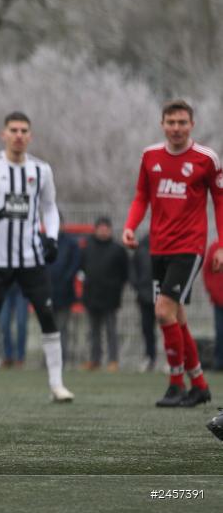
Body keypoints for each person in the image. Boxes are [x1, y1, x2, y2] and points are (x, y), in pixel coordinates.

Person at [0, 111, 74, 402]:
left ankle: (57, 384)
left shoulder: (41, 170)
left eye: (24, 130)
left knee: (46, 314)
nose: (19, 135)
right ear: (4, 134)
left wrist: (51, 237)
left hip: (31, 257)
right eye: (14, 130)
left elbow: (49, 208)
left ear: (30, 135)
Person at [122, 99, 223, 407]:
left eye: (182, 122)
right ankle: (200, 386)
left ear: (192, 124)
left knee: (163, 311)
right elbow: (142, 195)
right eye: (171, 122)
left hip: (189, 247)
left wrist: (221, 243)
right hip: (159, 247)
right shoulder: (150, 156)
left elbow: (220, 201)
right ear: (162, 124)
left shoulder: (206, 159)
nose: (176, 128)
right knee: (176, 316)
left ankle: (176, 383)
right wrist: (130, 225)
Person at [80, 217, 129, 372]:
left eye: (106, 228)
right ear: (96, 229)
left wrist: (116, 288)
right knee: (93, 331)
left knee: (111, 330)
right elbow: (82, 269)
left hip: (110, 297)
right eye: (100, 228)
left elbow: (125, 273)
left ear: (110, 229)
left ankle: (113, 360)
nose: (103, 231)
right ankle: (95, 360)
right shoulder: (87, 247)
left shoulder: (118, 250)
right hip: (91, 295)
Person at [48, 220, 81, 367]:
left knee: (62, 328)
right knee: (48, 329)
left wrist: (65, 280)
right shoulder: (45, 241)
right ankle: (48, 360)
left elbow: (74, 265)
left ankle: (62, 359)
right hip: (48, 293)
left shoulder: (71, 243)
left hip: (65, 293)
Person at [130, 234, 157, 371]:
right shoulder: (141, 247)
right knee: (147, 329)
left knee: (169, 328)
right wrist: (138, 286)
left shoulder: (168, 244)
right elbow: (132, 269)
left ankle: (172, 360)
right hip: (145, 295)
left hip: (164, 295)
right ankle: (150, 357)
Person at [202, 240, 223, 371]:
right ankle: (219, 361)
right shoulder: (214, 248)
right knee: (220, 331)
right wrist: (213, 292)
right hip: (219, 300)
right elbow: (207, 272)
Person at [0, 284, 29, 368]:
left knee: (21, 323)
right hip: (5, 288)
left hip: (21, 288)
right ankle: (8, 356)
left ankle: (20, 357)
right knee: (4, 323)